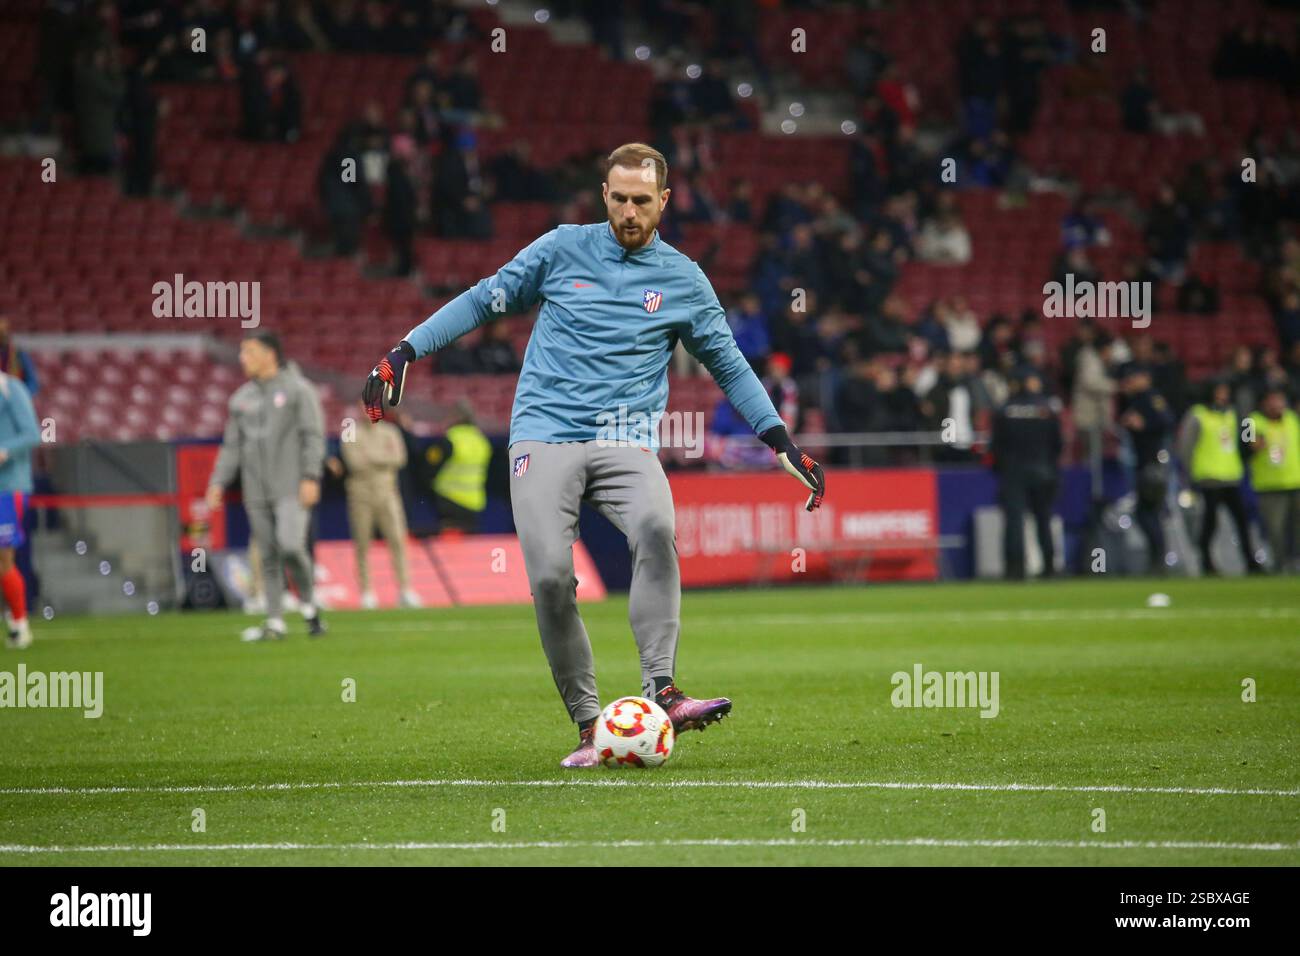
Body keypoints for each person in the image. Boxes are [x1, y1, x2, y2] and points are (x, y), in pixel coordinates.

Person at [361, 143, 826, 767]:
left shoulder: (685, 280)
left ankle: (662, 691)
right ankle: (589, 728)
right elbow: (482, 299)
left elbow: (729, 365)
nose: (629, 211)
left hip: (624, 439)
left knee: (658, 527)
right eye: (619, 198)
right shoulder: (560, 249)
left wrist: (779, 440)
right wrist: (404, 351)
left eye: (642, 201)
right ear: (603, 195)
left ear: (663, 201)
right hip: (543, 434)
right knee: (552, 579)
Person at [206, 332, 328, 640]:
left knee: (290, 545)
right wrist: (218, 481)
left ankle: (310, 606)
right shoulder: (240, 399)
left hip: (291, 485)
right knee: (267, 554)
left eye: (249, 352)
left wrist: (311, 476)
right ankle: (275, 621)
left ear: (270, 354)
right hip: (255, 491)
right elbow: (231, 446)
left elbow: (313, 436)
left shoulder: (299, 391)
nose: (242, 358)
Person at [338, 401, 420, 609]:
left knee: (398, 541)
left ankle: (405, 590)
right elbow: (354, 462)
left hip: (388, 493)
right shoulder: (350, 431)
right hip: (360, 495)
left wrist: (371, 458)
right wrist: (384, 458)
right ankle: (366, 592)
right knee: (362, 544)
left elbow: (400, 458)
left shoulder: (390, 431)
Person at [1177, 379, 1263, 575]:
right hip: (1209, 477)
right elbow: (1185, 446)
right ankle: (1206, 562)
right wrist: (1189, 474)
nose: (1223, 395)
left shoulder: (1233, 413)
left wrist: (1251, 445)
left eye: (1225, 391)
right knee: (1210, 523)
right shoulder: (1198, 415)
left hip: (1231, 476)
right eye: (1219, 391)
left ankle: (1251, 561)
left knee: (1241, 521)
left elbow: (1245, 436)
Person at [991, 367, 1061, 580]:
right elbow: (1057, 444)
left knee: (1014, 521)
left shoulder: (1005, 409)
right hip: (1043, 470)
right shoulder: (1046, 409)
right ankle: (1049, 566)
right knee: (1043, 519)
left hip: (1014, 471)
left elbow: (997, 445)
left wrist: (1002, 467)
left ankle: (1015, 568)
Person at [1117, 363, 1175, 573]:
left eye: (1132, 378)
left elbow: (1167, 420)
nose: (1128, 383)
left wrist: (1144, 424)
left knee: (1147, 511)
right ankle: (1158, 558)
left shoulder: (1150, 397)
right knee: (1147, 511)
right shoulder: (1134, 400)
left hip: (1152, 461)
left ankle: (1159, 558)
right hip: (1143, 461)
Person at [0, 371, 40, 649]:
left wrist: (3, 449)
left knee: (4, 556)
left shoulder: (9, 388)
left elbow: (32, 433)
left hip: (8, 487)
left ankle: (20, 624)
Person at [1245, 386, 1300, 571]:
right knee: (1275, 529)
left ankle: (1294, 562)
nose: (1278, 404)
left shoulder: (1292, 419)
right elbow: (1248, 445)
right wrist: (1257, 442)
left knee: (1296, 528)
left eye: (1280, 400)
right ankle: (1280, 563)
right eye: (1273, 400)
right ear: (1264, 402)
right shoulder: (1251, 421)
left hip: (1295, 481)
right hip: (1268, 484)